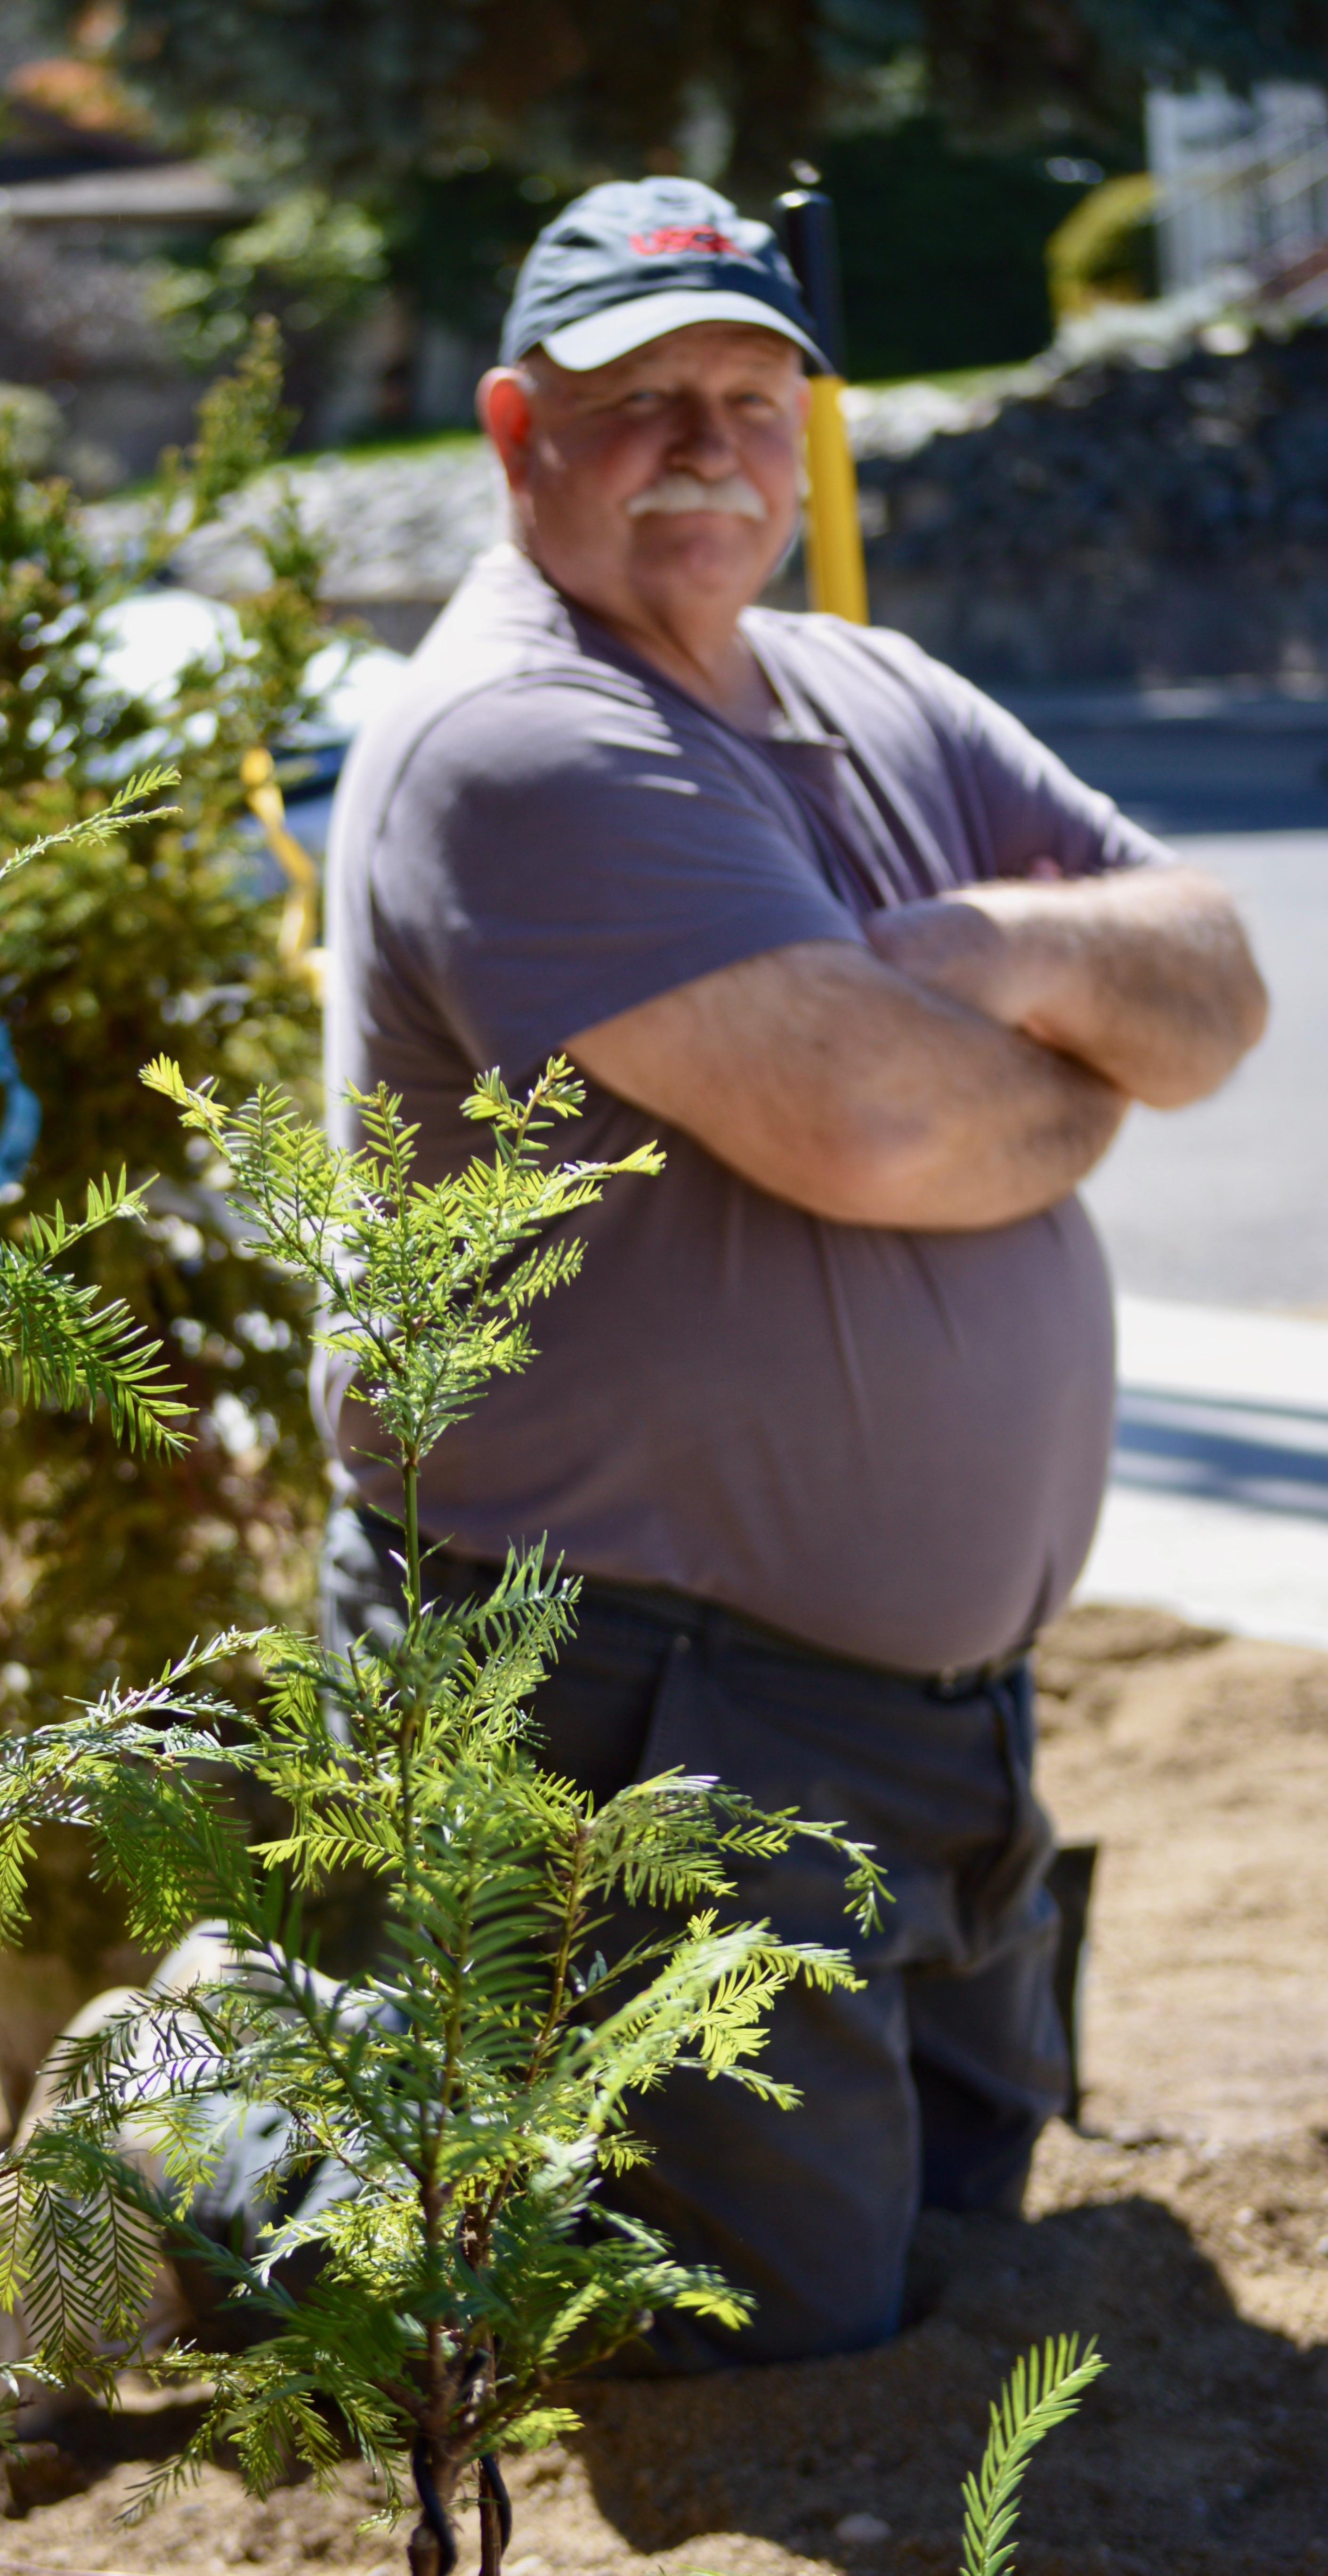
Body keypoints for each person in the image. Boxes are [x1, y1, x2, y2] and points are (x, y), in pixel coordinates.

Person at [316, 175, 1268, 2368]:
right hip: (656, 1705)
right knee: (734, 2342)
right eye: (642, 400)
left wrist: (990, 947)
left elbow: (1216, 985)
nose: (711, 449)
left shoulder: (865, 687)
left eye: (752, 399)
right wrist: (1075, 1082)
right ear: (516, 428)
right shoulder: (526, 739)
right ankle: (207, 2135)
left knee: (948, 2241)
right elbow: (886, 1132)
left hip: (929, 1718)